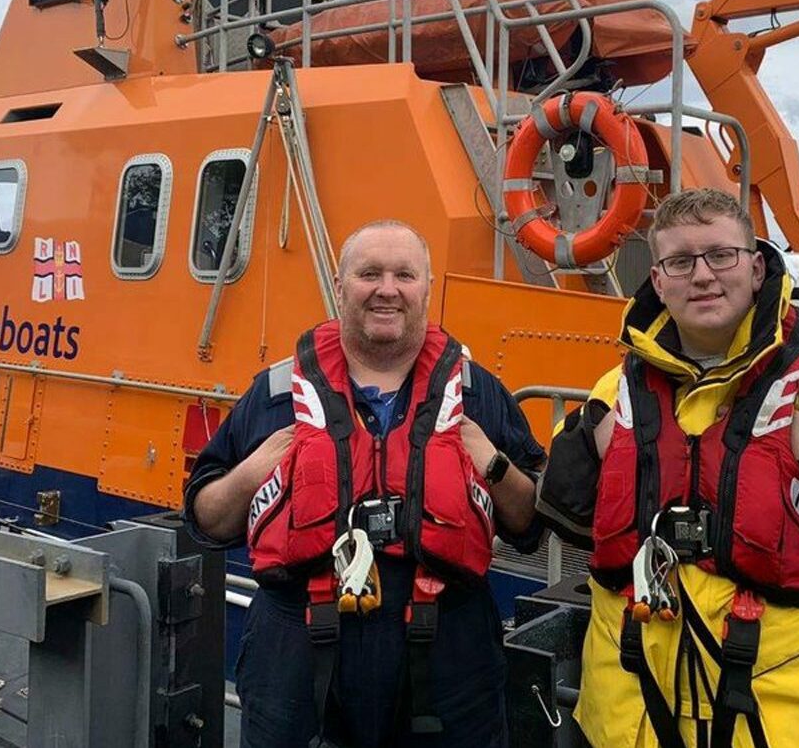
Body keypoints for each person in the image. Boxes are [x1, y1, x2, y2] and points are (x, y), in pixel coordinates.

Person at [537, 190, 799, 747]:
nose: (703, 276)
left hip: (789, 716)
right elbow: (559, 514)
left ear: (757, 266)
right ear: (659, 281)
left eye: (722, 255)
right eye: (680, 262)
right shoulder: (618, 389)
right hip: (631, 713)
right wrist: (589, 449)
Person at [184, 220, 545, 748]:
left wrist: (492, 465)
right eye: (369, 273)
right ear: (339, 285)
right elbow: (206, 519)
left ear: (426, 289)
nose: (387, 289)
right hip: (296, 646)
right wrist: (252, 469)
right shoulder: (277, 393)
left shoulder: (477, 394)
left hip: (449, 645)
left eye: (405, 275)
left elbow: (530, 521)